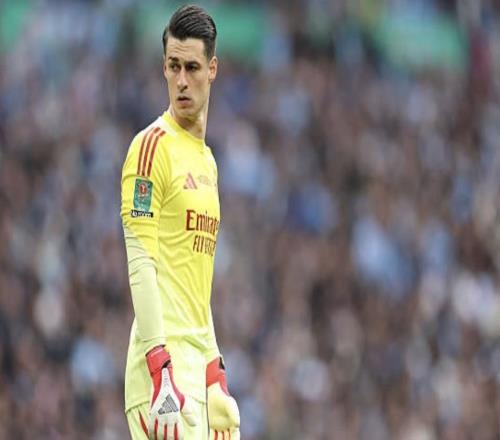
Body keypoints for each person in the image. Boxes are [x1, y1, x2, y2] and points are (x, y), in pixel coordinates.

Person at [120, 5, 240, 440]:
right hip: (162, 378)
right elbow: (141, 261)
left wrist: (215, 374)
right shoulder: (150, 148)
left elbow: (196, 286)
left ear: (212, 69)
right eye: (174, 67)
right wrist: (161, 371)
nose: (182, 80)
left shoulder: (207, 163)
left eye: (192, 68)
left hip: (194, 373)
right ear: (164, 68)